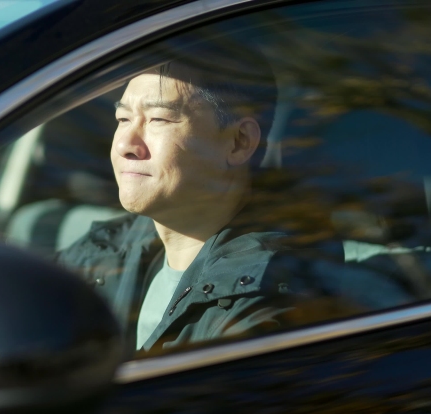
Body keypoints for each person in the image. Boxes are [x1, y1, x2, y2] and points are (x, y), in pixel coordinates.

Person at [57, 57, 290, 356]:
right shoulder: (106, 250)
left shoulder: (261, 302)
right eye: (123, 119)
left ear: (239, 142)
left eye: (158, 119)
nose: (125, 144)